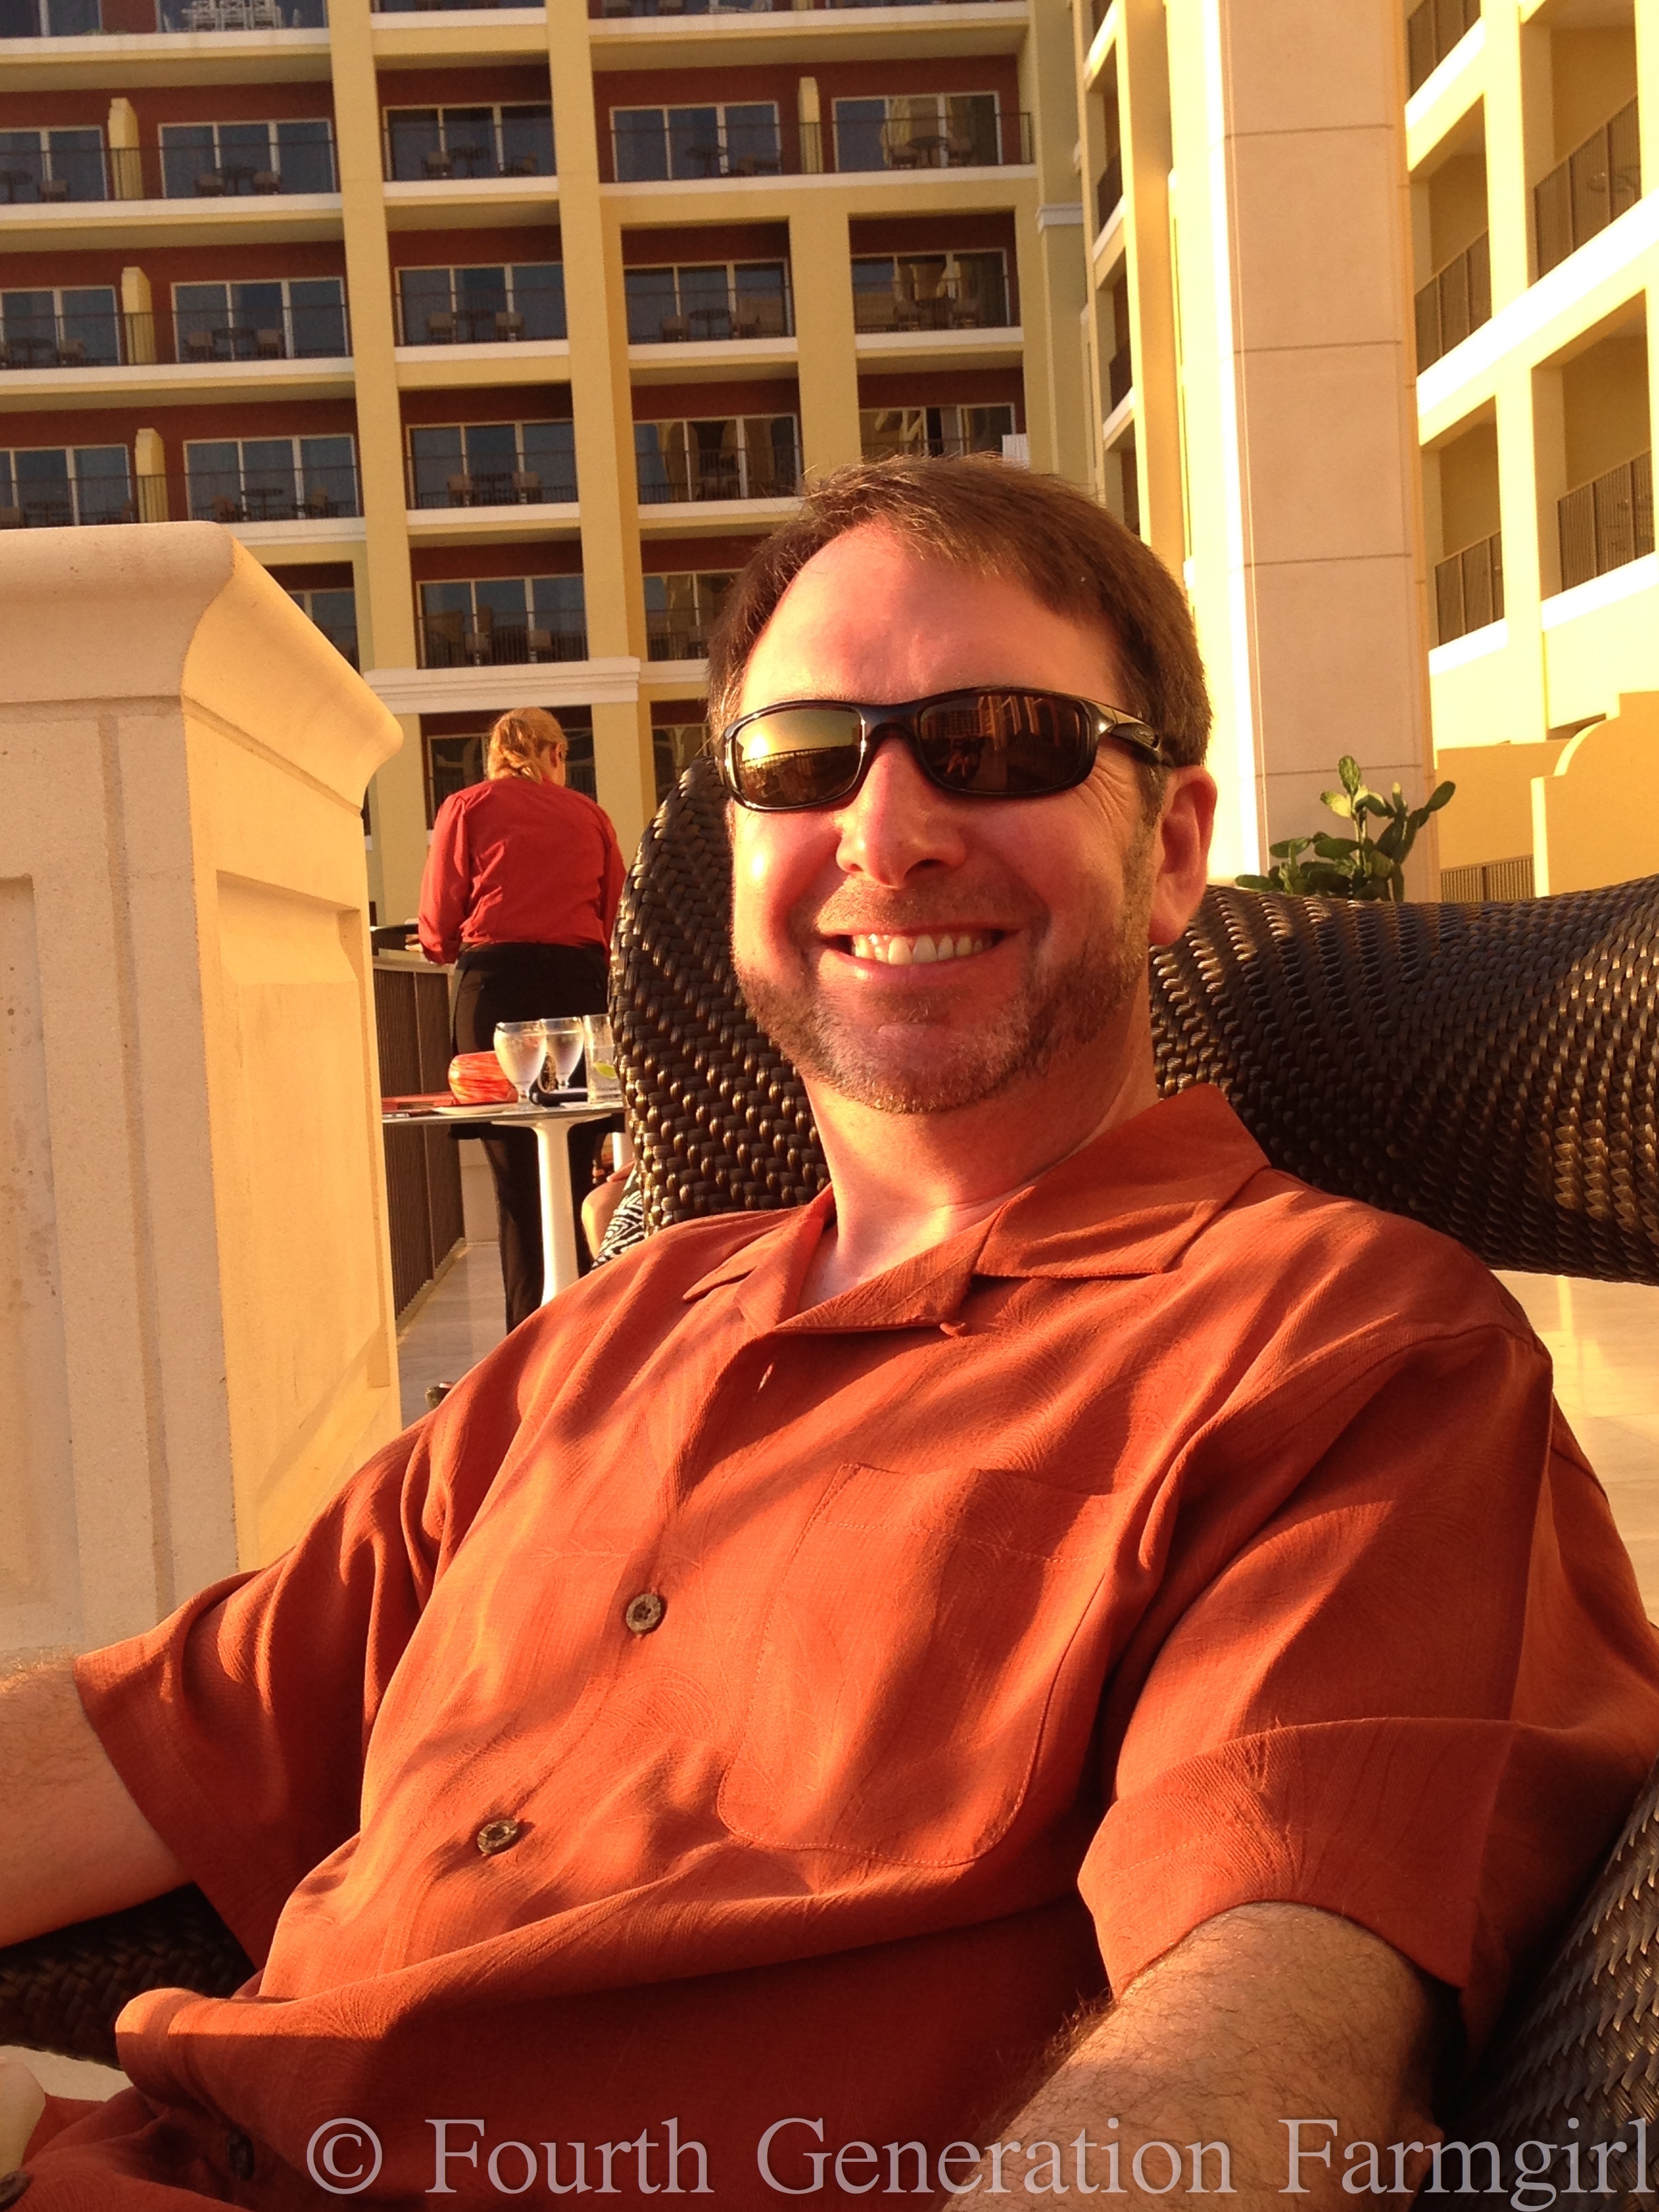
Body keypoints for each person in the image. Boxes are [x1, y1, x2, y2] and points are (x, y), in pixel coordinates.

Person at [3, 458, 1659, 2211]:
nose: (888, 830)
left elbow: (1264, 2020)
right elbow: (146, 1740)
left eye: (1001, 742)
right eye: (803, 760)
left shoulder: (1340, 1351)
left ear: (1171, 849)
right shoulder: (614, 1328)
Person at [417, 706, 626, 1327]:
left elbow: (439, 923)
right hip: (576, 990)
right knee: (574, 1166)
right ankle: (584, 1330)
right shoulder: (589, 816)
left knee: (514, 1179)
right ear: (555, 754)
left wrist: (442, 946)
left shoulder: (467, 807)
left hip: (497, 991)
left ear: (496, 755)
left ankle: (527, 1338)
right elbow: (614, 917)